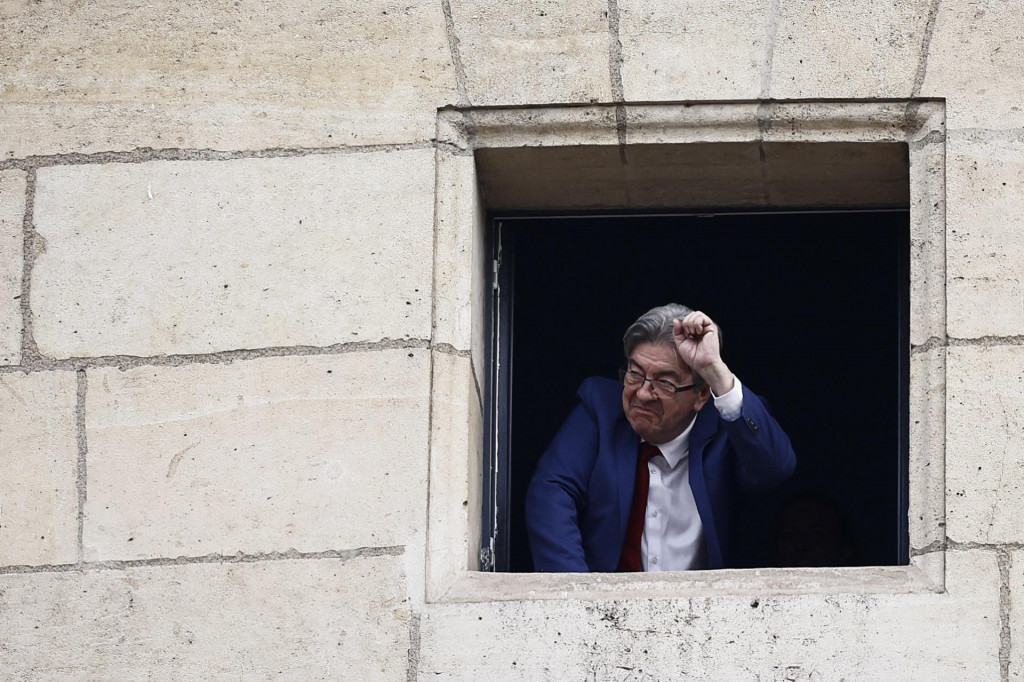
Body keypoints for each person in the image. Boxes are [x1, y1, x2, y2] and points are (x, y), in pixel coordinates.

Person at [526, 303, 796, 572]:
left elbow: (775, 468)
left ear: (701, 395)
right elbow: (552, 491)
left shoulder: (727, 426)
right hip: (605, 606)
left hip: (703, 607)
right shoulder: (601, 409)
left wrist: (715, 371)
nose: (643, 393)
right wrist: (578, 596)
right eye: (635, 374)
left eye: (664, 382)